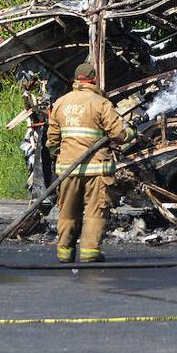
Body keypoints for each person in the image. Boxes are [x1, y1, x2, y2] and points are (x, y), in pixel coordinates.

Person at [46, 62, 128, 263]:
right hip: (96, 169)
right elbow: (120, 135)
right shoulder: (101, 103)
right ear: (94, 80)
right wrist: (131, 131)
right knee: (95, 212)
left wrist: (60, 156)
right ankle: (90, 253)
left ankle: (64, 253)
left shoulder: (61, 103)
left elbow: (52, 140)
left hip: (67, 169)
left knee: (67, 211)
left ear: (76, 80)